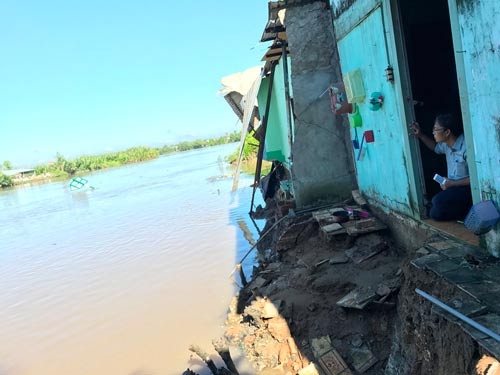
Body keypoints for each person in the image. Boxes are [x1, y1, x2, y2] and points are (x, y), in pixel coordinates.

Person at [410, 113, 472, 221]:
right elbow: (435, 148)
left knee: (436, 204)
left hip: (467, 189)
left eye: (435, 129)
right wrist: (421, 135)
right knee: (435, 205)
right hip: (453, 187)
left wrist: (452, 183)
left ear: (447, 132)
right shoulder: (446, 144)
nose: (433, 132)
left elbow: (476, 179)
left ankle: (467, 212)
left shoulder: (466, 147)